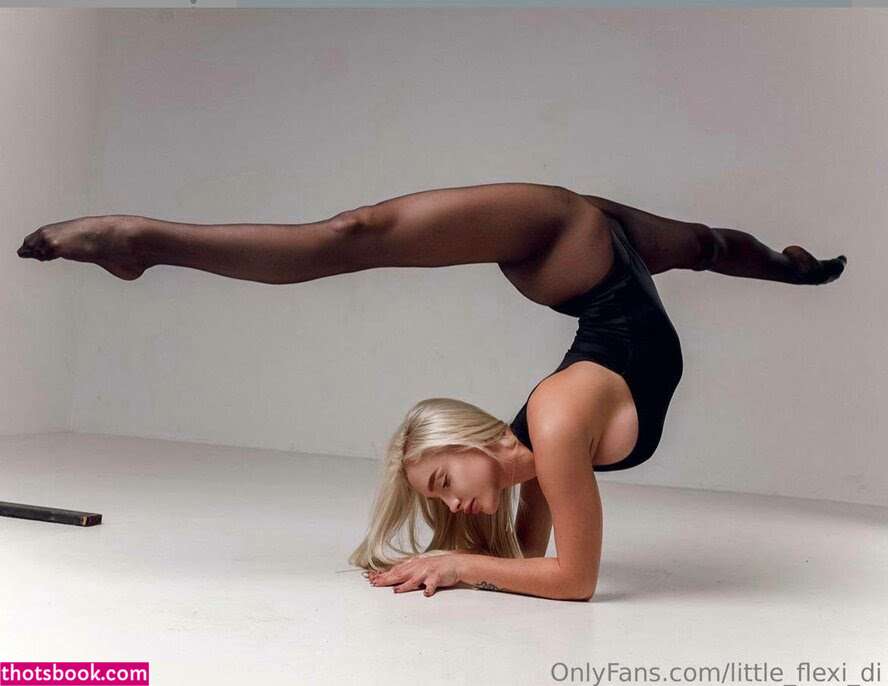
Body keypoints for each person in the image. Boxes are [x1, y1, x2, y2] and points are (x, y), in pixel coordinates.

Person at [16, 182, 846, 601]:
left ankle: (790, 269)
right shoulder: (551, 431)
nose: (453, 501)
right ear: (486, 442)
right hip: (581, 244)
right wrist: (469, 564)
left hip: (578, 242)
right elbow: (562, 573)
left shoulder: (546, 438)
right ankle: (141, 241)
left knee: (704, 246)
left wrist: (460, 563)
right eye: (444, 486)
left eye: (441, 484)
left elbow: (561, 577)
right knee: (356, 235)